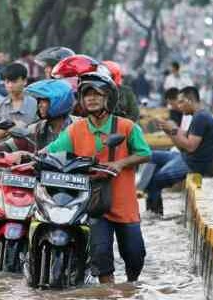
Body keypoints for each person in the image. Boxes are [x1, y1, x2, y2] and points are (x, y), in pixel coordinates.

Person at [45, 72, 151, 283]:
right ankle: (108, 293)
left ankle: (131, 289)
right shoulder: (75, 129)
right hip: (93, 204)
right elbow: (52, 151)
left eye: (97, 94)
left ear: (108, 98)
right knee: (101, 256)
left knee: (135, 254)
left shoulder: (127, 127)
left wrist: (119, 164)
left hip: (124, 204)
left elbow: (145, 153)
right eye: (87, 95)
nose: (91, 98)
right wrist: (29, 155)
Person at [146, 86, 213, 215]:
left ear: (190, 100)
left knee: (155, 181)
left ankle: (154, 215)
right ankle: (143, 191)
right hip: (184, 157)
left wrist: (172, 130)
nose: (179, 106)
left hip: (192, 164)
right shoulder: (198, 115)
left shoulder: (201, 117)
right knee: (150, 155)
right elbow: (182, 138)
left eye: (181, 102)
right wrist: (168, 129)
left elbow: (190, 146)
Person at [0, 79, 76, 161]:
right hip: (42, 182)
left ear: (59, 101)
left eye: (44, 100)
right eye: (39, 101)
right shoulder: (38, 128)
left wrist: (27, 155)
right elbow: (11, 144)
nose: (39, 105)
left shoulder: (77, 126)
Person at [0, 63, 37, 143]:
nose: (10, 86)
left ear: (24, 81)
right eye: (7, 82)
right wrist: (13, 127)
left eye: (14, 82)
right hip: (3, 152)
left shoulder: (35, 104)